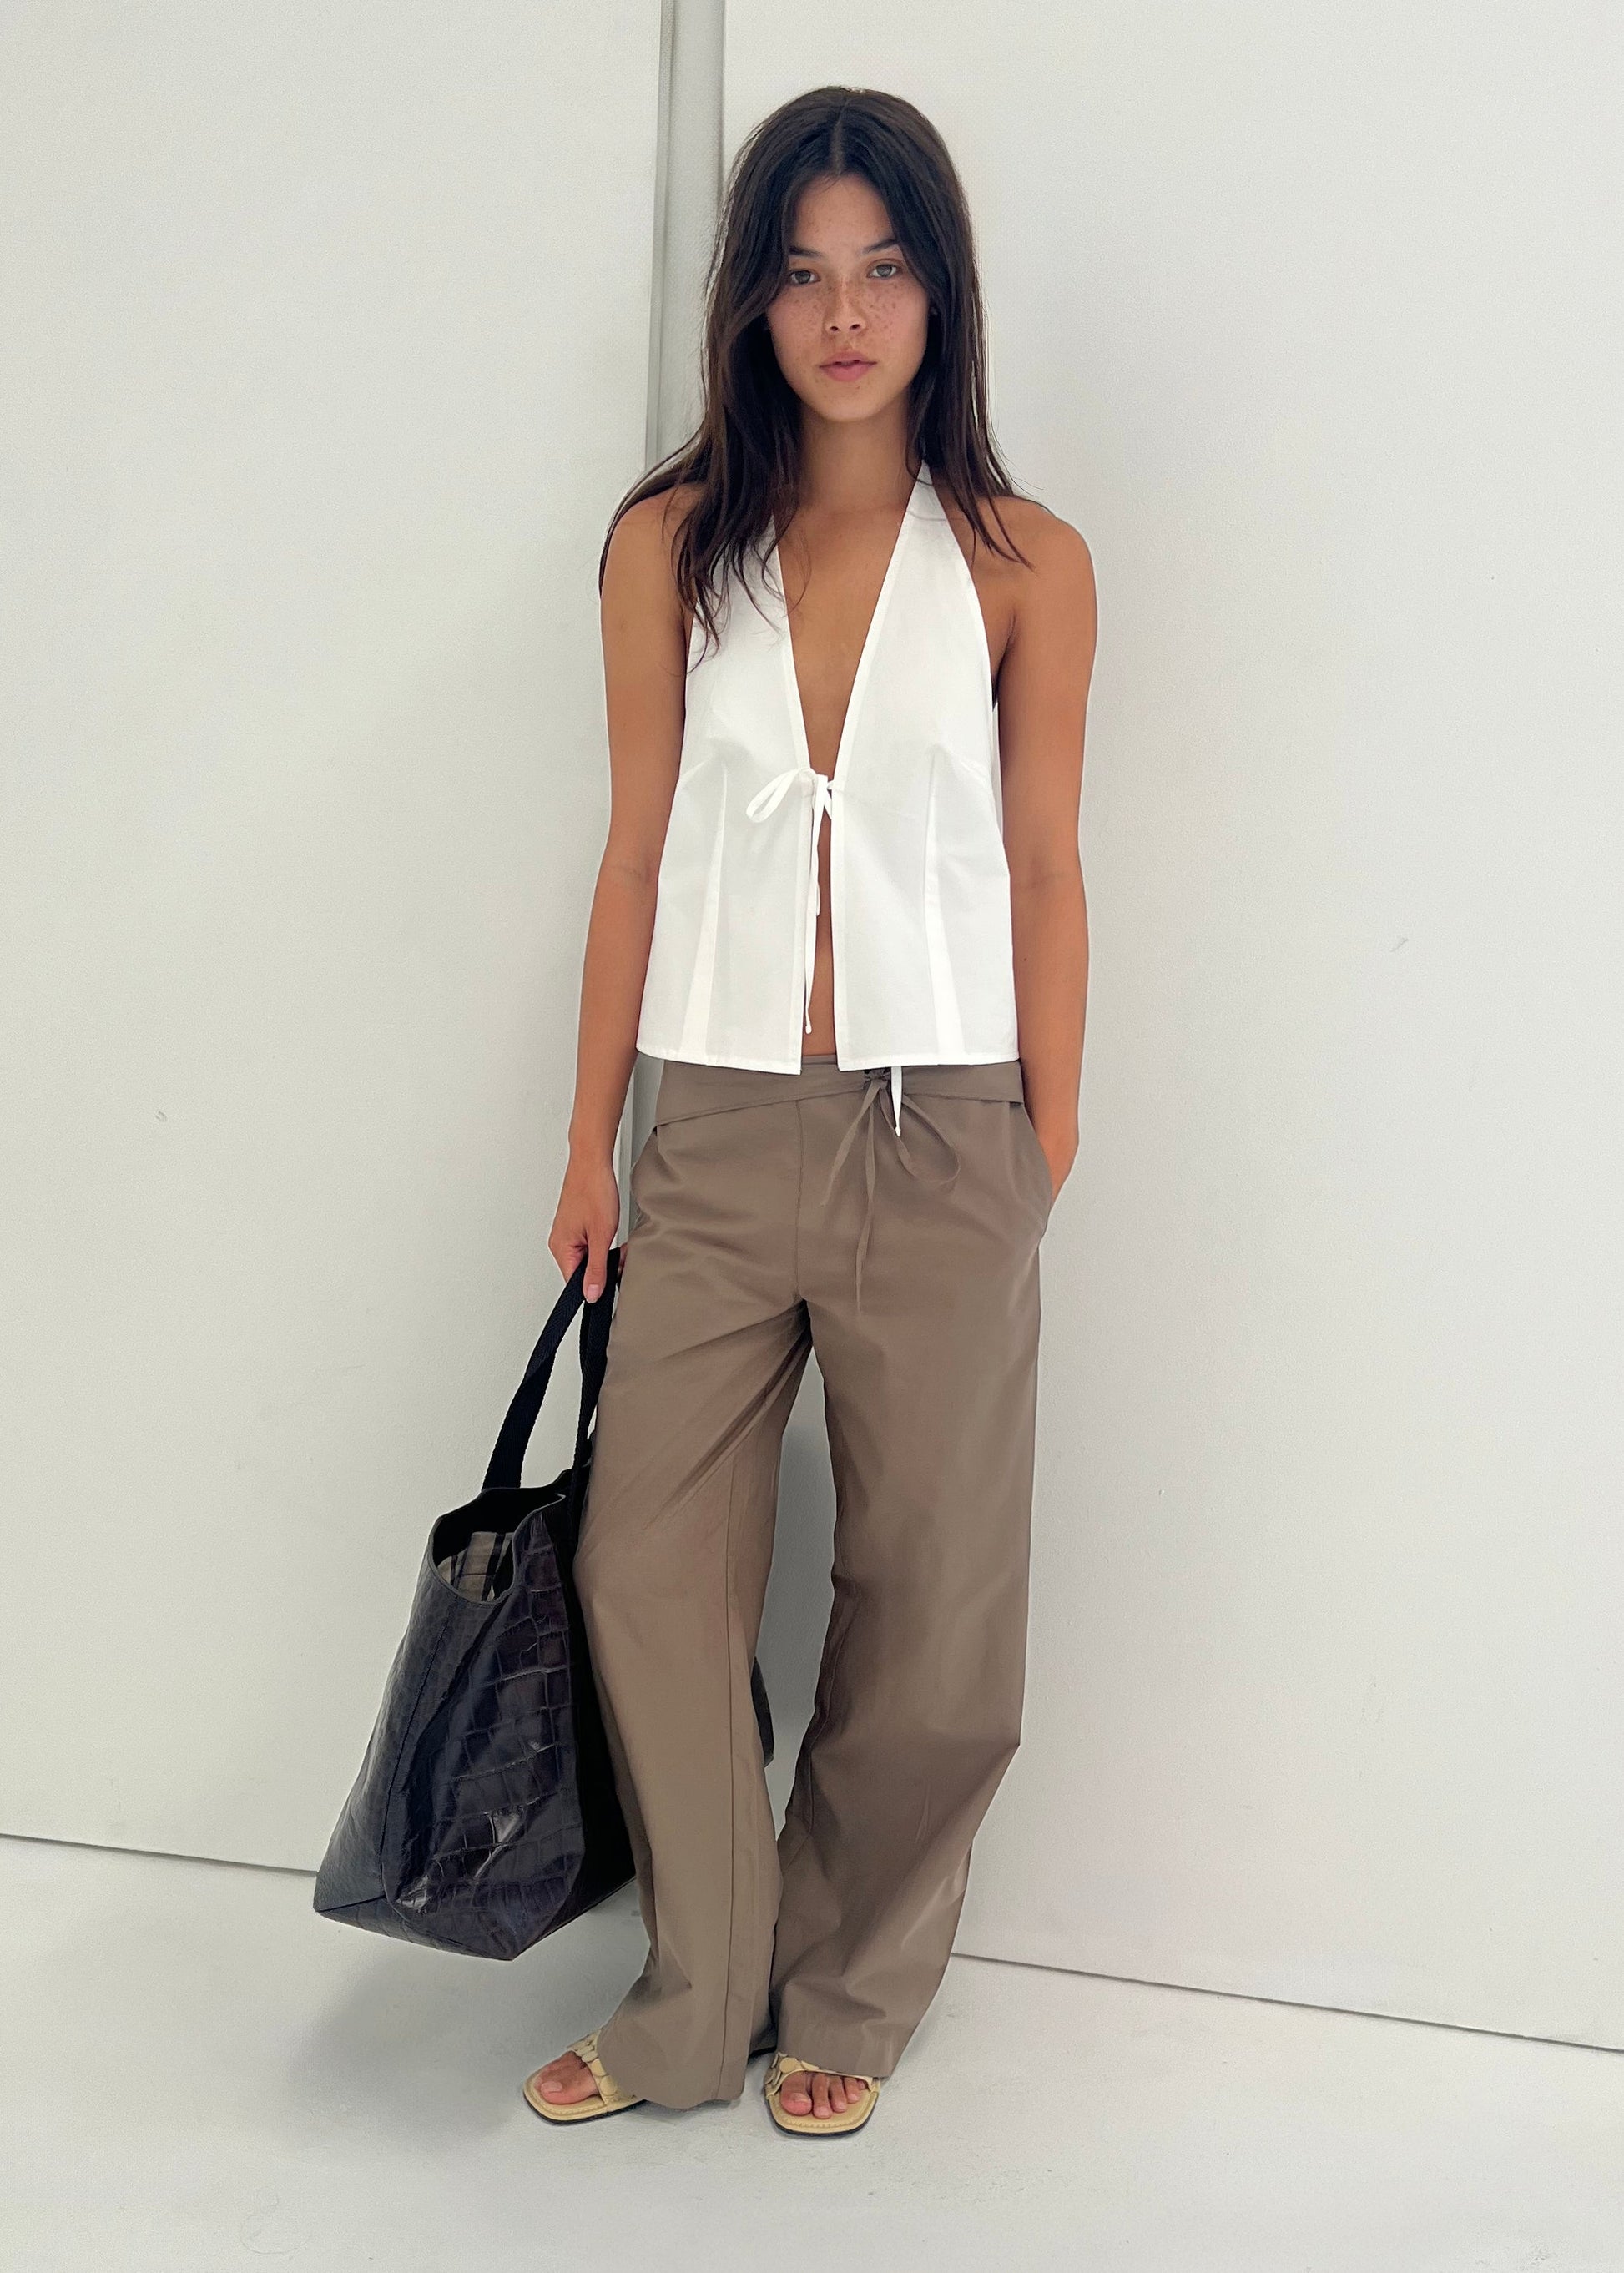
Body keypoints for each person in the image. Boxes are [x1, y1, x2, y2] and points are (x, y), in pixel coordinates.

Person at [524, 84, 1095, 2135]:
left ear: (937, 296)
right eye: (799, 271)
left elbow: (1045, 861)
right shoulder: (672, 544)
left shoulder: (1028, 565)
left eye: (881, 267)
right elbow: (630, 851)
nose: (842, 311)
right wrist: (596, 1142)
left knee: (933, 1597)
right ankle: (703, 1988)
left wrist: (1043, 1139)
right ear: (752, 305)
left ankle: (847, 1986)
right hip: (717, 1119)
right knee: (642, 1568)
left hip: (947, 1125)